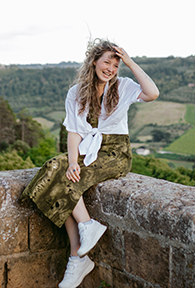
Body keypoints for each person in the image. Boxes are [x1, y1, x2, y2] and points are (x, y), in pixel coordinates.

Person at [19, 38, 159, 288]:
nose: (111, 69)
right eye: (107, 62)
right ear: (94, 61)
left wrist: (130, 62)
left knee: (61, 182)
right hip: (86, 150)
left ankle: (78, 253)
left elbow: (152, 93)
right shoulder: (76, 92)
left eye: (116, 65)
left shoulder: (124, 86)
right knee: (55, 169)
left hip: (116, 153)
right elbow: (74, 131)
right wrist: (72, 161)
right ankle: (83, 238)